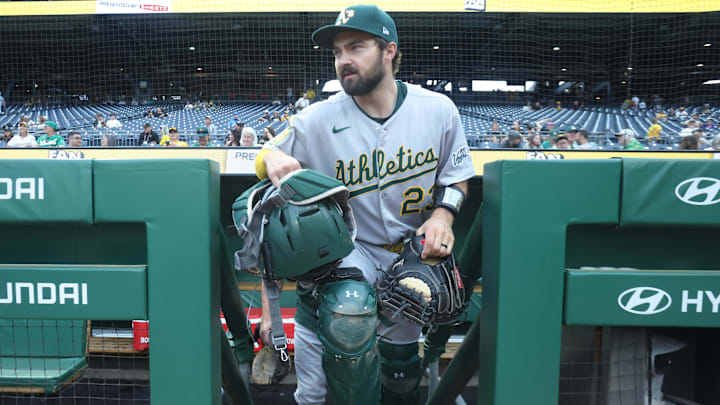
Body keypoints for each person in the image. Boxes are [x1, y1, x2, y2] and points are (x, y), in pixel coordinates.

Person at [255, 5, 474, 405]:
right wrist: (269, 158)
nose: (344, 60)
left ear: (389, 50)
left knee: (403, 379)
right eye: (337, 52)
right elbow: (268, 152)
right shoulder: (316, 119)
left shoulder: (437, 109)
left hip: (410, 260)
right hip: (342, 260)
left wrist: (445, 214)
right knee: (343, 323)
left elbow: (457, 176)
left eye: (356, 47)